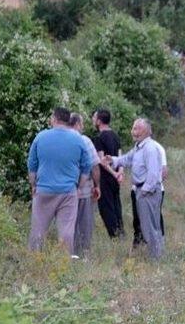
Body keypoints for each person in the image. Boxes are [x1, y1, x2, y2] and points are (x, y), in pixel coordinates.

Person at [27, 107, 92, 256]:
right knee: (67, 231)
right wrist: (79, 187)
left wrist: (33, 185)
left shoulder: (40, 137)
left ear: (54, 119)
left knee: (38, 229)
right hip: (68, 191)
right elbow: (86, 166)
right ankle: (63, 262)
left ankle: (33, 260)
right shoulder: (78, 139)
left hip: (44, 190)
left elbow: (32, 164)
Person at [105, 118, 164, 259]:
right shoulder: (139, 147)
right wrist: (113, 160)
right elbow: (126, 159)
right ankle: (156, 256)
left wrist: (145, 191)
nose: (133, 132)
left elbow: (154, 173)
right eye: (133, 128)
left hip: (147, 192)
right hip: (141, 190)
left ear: (146, 131)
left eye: (137, 128)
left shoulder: (149, 148)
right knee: (147, 226)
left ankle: (156, 259)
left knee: (150, 227)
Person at [69, 113, 101, 257]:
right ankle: (82, 255)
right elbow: (94, 166)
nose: (83, 127)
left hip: (62, 191)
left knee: (67, 224)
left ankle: (67, 254)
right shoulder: (84, 140)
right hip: (83, 190)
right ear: (77, 124)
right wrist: (97, 185)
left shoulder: (59, 139)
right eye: (82, 124)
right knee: (84, 224)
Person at [91, 108, 125, 238]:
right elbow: (120, 158)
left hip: (105, 178)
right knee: (116, 204)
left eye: (94, 118)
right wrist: (119, 173)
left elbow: (101, 160)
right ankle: (120, 232)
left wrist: (113, 173)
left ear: (99, 121)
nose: (93, 120)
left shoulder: (99, 138)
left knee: (106, 207)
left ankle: (115, 236)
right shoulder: (115, 135)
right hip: (115, 177)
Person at [131, 139, 167, 247]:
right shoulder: (136, 148)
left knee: (154, 219)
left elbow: (164, 172)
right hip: (136, 190)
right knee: (137, 219)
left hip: (152, 191)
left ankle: (158, 246)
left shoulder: (157, 148)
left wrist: (149, 186)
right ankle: (139, 244)